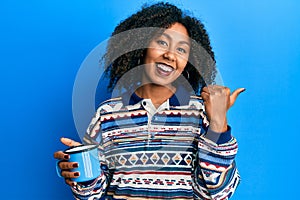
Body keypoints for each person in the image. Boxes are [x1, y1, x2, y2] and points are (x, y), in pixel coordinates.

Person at [54, 2, 244, 199]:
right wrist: (80, 172)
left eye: (181, 49)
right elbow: (92, 195)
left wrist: (219, 122)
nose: (170, 55)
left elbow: (219, 193)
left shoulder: (200, 115)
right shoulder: (107, 115)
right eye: (162, 42)